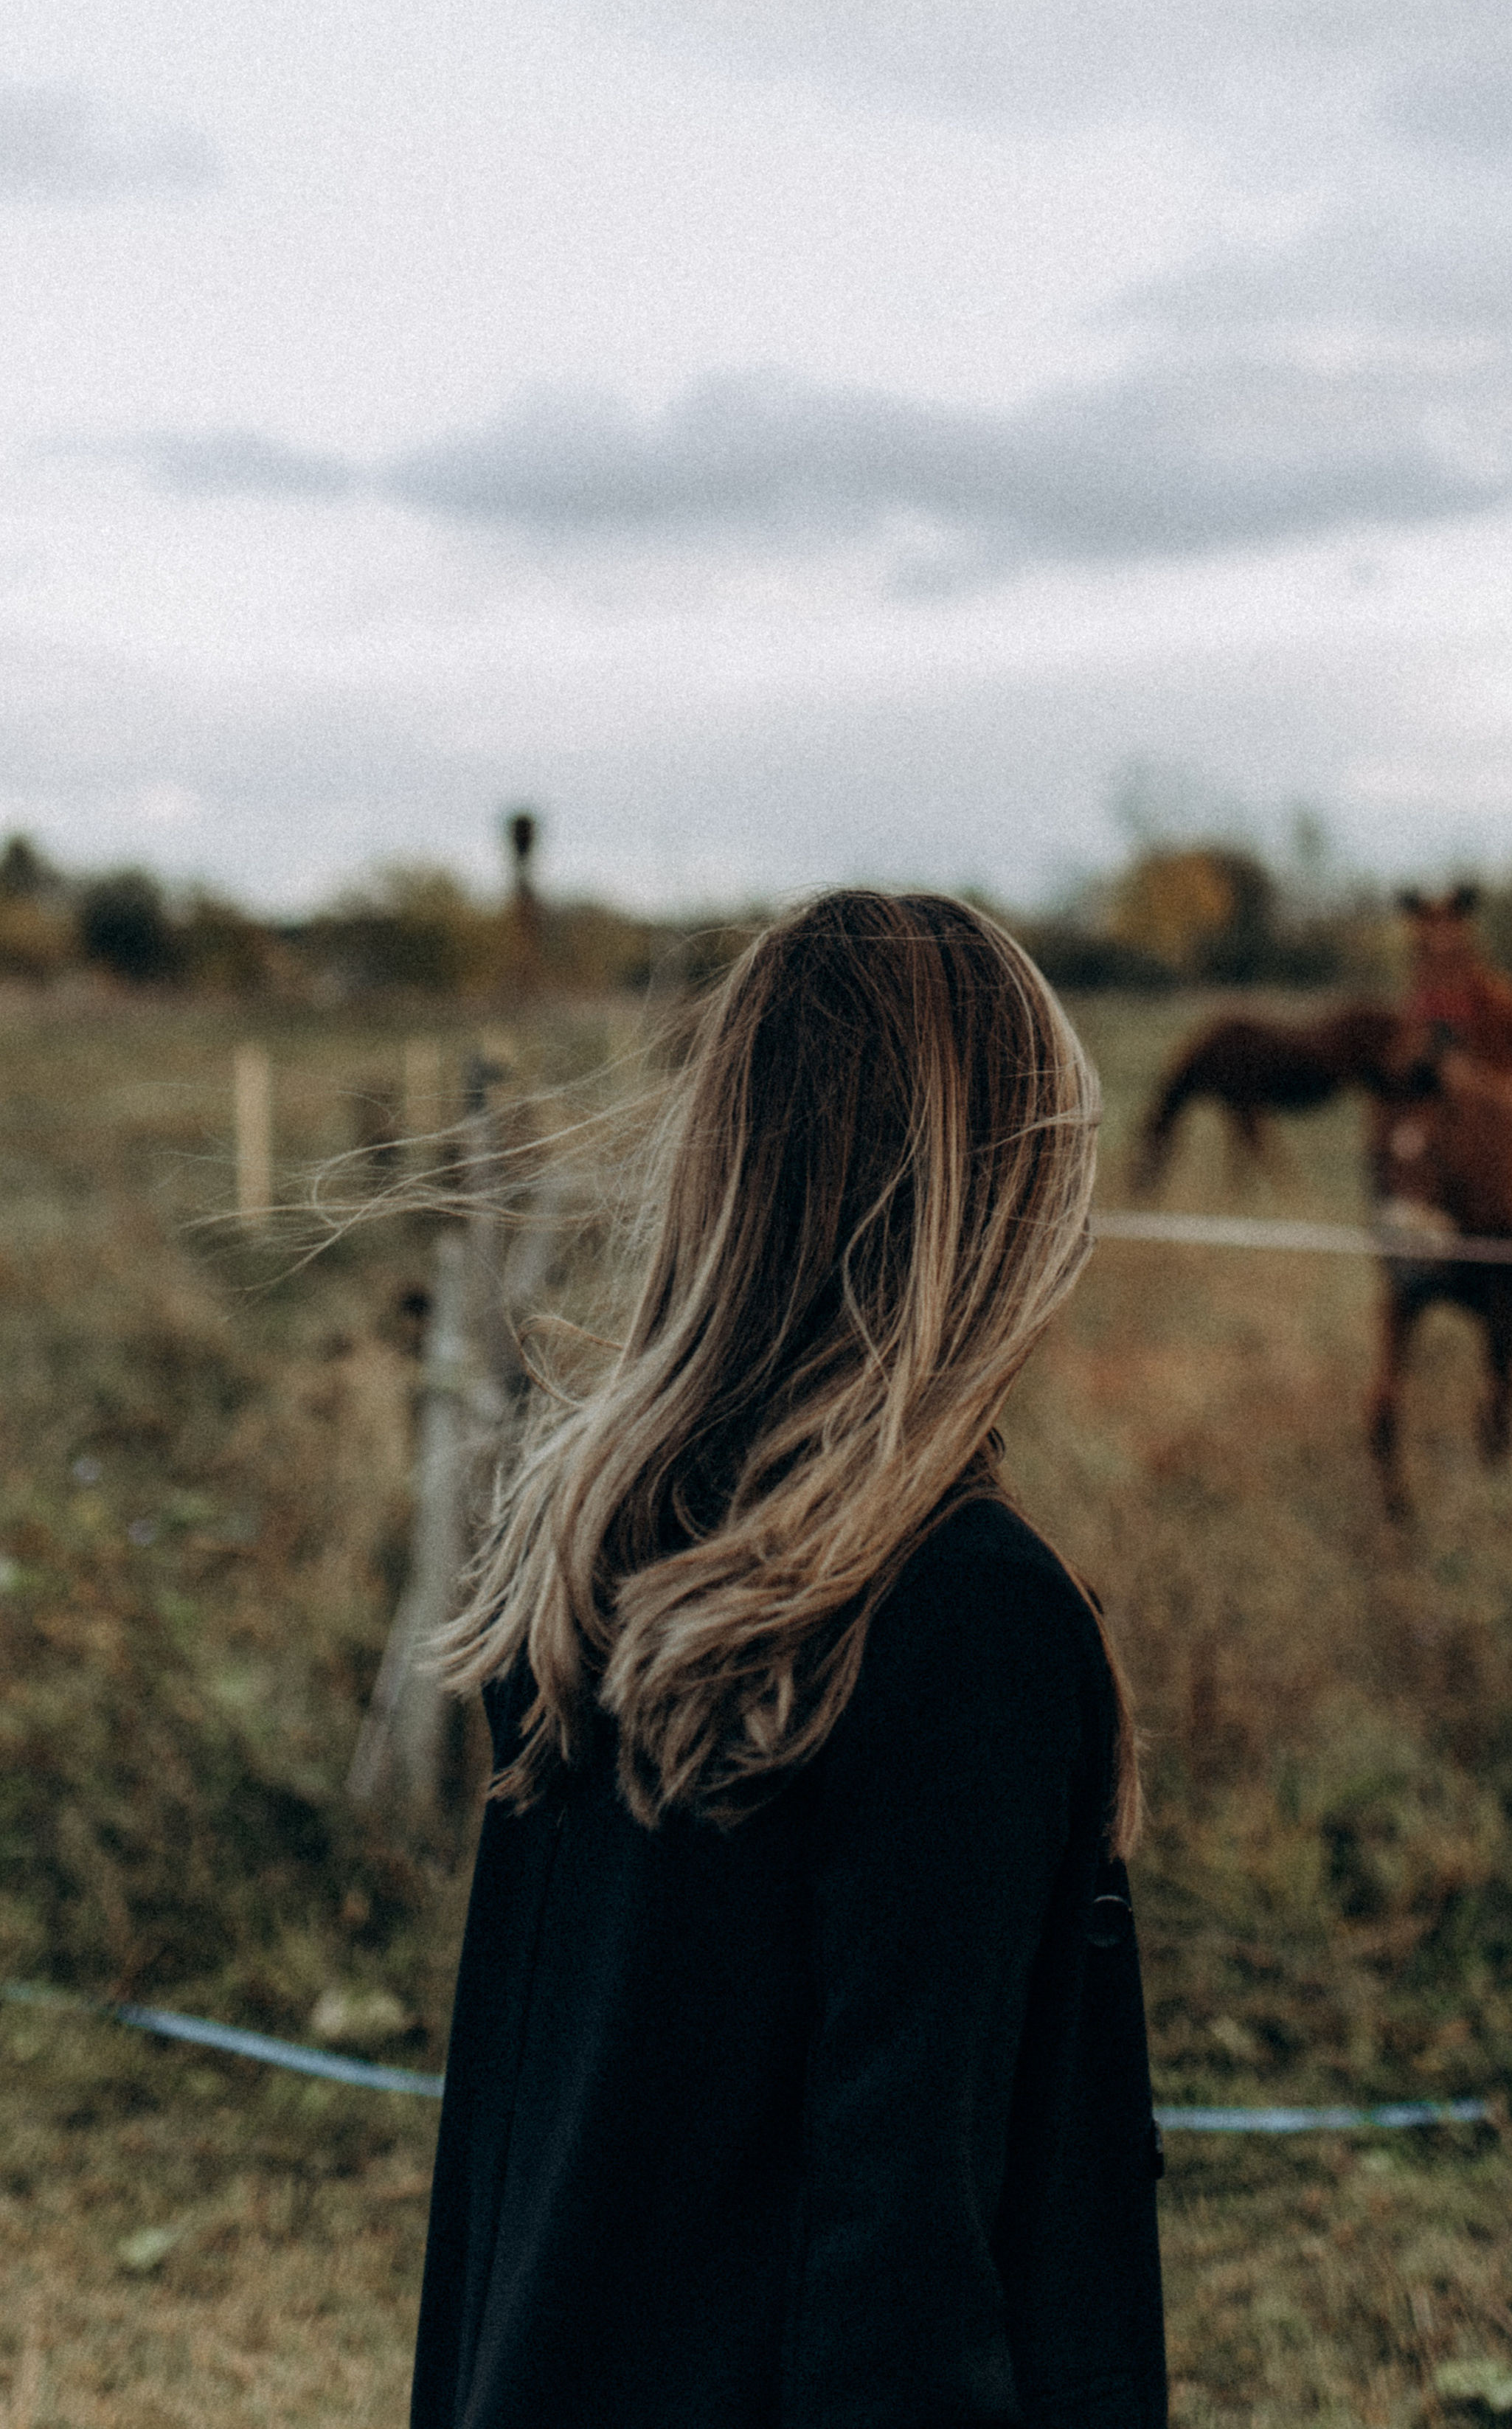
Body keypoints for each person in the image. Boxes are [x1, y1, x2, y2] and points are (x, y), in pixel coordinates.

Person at [410, 890, 1168, 2429]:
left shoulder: (589, 1562)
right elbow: (903, 2248)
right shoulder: (964, 1616)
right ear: (993, 1201)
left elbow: (499, 2180)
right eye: (1061, 1161)